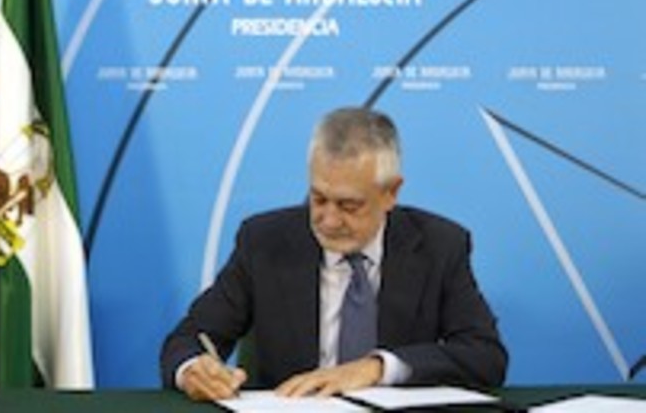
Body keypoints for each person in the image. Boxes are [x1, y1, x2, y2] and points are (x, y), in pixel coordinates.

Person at [160, 107, 508, 400]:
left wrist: (376, 368)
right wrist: (192, 369)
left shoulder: (439, 246)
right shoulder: (264, 242)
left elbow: (485, 356)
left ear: (390, 193)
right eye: (318, 198)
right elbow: (189, 339)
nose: (327, 220)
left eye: (348, 205)